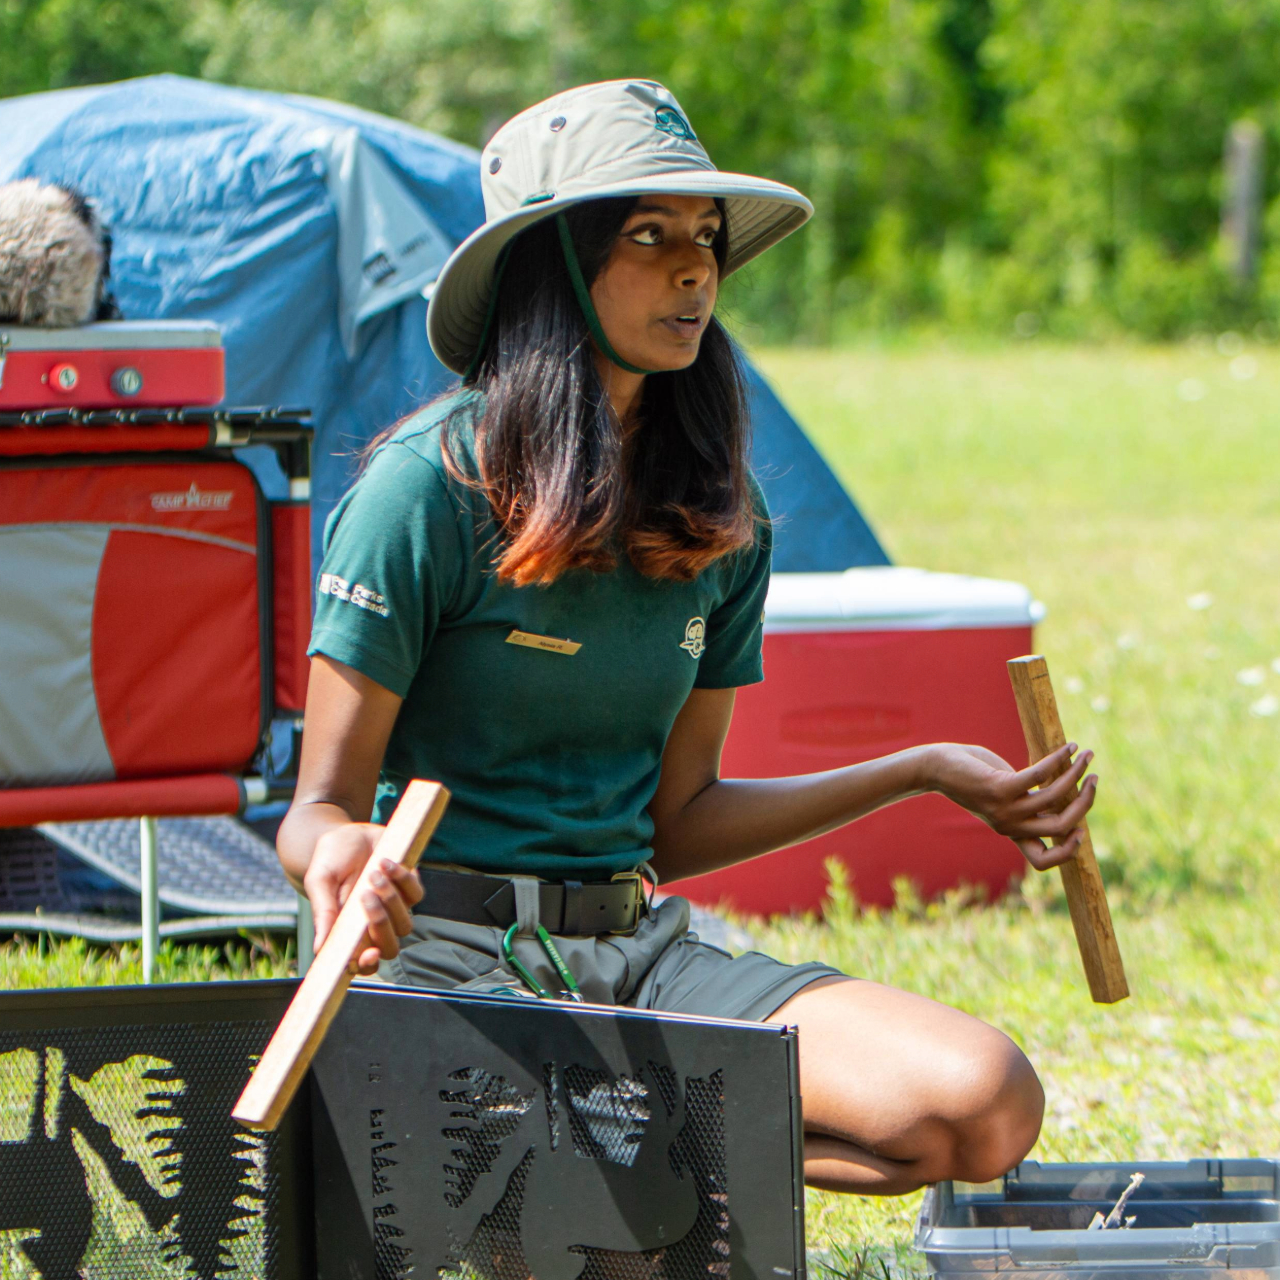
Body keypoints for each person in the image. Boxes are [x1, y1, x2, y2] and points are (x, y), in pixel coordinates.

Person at [277, 79, 1098, 1196]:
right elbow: (318, 808)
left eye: (706, 239)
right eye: (650, 236)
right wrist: (338, 854)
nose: (696, 269)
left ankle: (630, 1154)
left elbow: (677, 819)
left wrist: (918, 771)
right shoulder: (427, 488)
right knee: (604, 1202)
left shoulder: (720, 516)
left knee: (979, 1101)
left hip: (636, 954)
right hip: (446, 968)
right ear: (552, 265)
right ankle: (590, 1166)